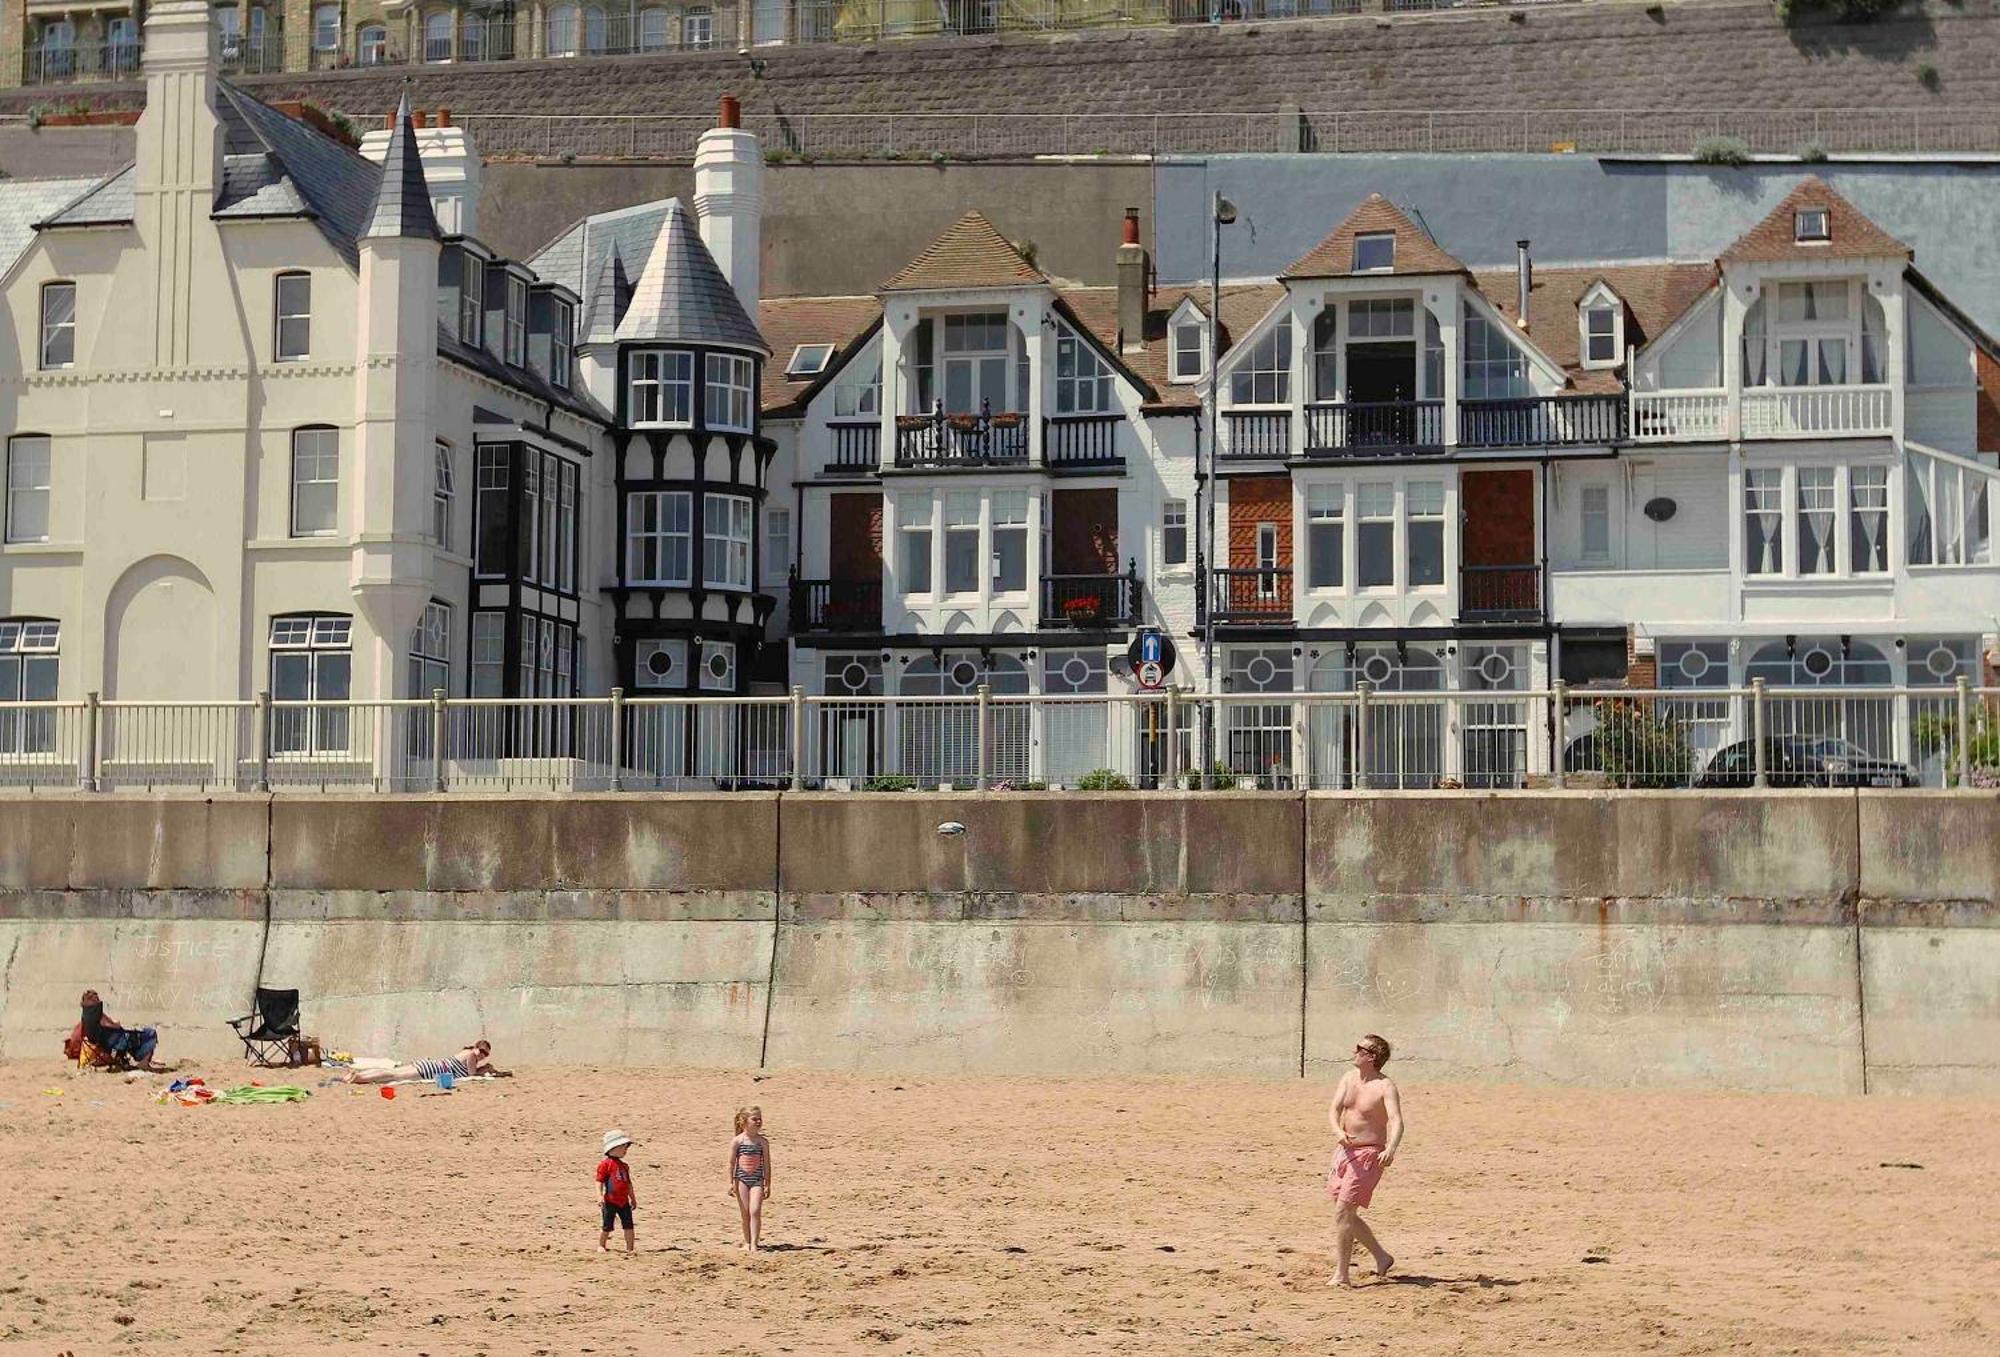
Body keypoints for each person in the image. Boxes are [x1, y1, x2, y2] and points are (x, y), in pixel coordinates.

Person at [1327, 1032, 1403, 1288]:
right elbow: (1335, 1109)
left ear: (1371, 1056)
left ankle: (1341, 1275)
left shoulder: (1385, 1086)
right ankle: (1382, 1257)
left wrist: (1391, 1148)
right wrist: (1338, 1133)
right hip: (1345, 1152)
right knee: (1343, 1211)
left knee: (1344, 1211)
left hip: (1369, 1154)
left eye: (1360, 1048)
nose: (1354, 1050)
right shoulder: (1348, 1078)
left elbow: (1396, 1120)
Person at [341, 1039, 507, 1085]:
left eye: (486, 1055)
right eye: (483, 1052)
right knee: (394, 1075)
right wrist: (484, 1068)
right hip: (432, 1069)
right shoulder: (471, 1055)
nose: (483, 1056)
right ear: (477, 1048)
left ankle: (358, 1075)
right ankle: (359, 1078)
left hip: (431, 1066)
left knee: (395, 1074)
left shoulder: (467, 1052)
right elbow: (471, 1074)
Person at [76, 990, 168, 1072]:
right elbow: (112, 1025)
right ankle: (144, 1063)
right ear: (91, 1001)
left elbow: (109, 1023)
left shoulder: (87, 1015)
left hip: (108, 1044)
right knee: (150, 1033)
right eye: (96, 999)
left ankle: (129, 1060)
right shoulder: (96, 1015)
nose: (99, 1001)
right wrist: (116, 1025)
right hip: (116, 1042)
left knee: (133, 1038)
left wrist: (114, 1024)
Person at [728, 1106, 773, 1252]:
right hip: (741, 1180)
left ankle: (754, 1243)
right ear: (744, 1121)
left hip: (757, 1180)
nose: (758, 1121)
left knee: (755, 1210)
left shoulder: (762, 1142)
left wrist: (767, 1183)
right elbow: (731, 1163)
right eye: (754, 1119)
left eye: (760, 1118)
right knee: (745, 1212)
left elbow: (766, 1163)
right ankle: (747, 1242)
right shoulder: (737, 1141)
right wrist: (731, 1182)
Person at [597, 1130, 637, 1254]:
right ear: (613, 1148)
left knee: (629, 1225)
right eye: (623, 1147)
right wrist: (599, 1195)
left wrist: (633, 1198)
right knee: (607, 1225)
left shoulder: (625, 1166)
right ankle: (601, 1245)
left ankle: (630, 1248)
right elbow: (599, 1181)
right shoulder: (605, 1164)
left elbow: (628, 1184)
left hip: (624, 1201)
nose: (625, 1150)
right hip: (610, 1200)